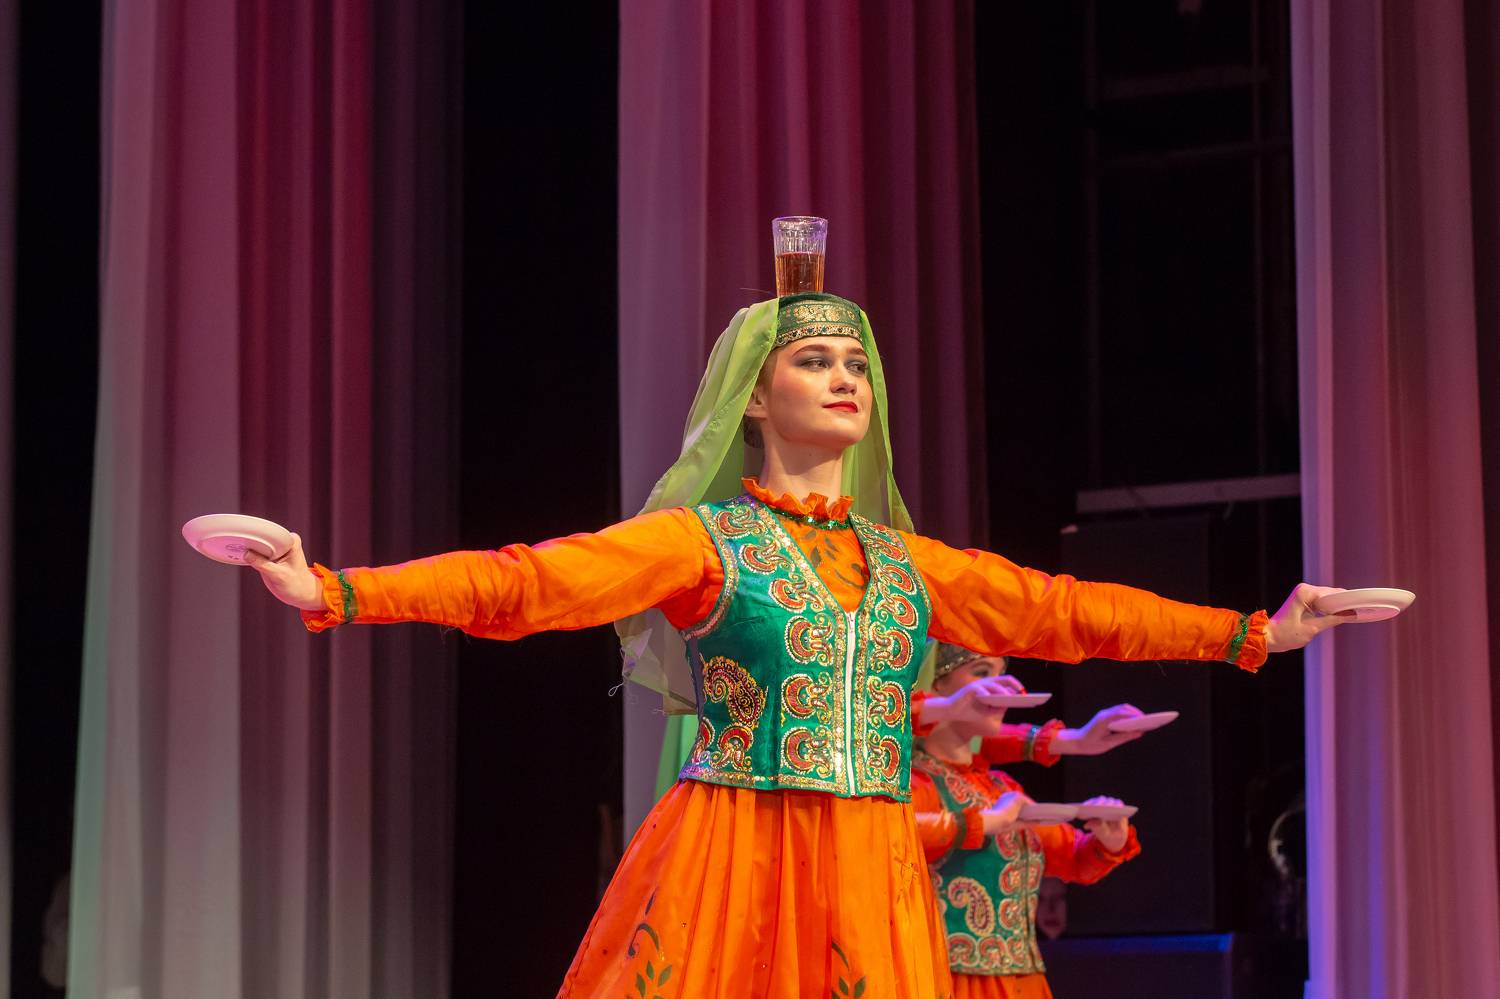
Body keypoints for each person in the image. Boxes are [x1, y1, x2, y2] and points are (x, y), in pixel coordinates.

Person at [245, 291, 1346, 997]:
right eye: (815, 361)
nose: (845, 378)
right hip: (737, 839)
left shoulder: (910, 564)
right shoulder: (705, 542)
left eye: (856, 363)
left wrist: (1252, 632)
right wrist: (335, 588)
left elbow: (1066, 611)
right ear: (757, 401)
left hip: (871, 853)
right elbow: (531, 583)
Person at [913, 643, 1141, 999]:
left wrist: (1108, 841)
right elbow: (895, 838)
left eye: (1002, 674)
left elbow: (1072, 857)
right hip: (949, 981)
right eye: (981, 673)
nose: (1004, 690)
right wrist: (984, 822)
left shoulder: (1000, 788)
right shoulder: (917, 783)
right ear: (937, 685)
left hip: (1023, 983)